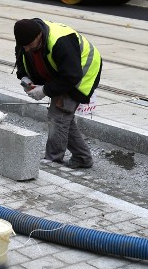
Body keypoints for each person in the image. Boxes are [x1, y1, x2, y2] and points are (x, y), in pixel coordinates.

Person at [14, 18, 101, 169]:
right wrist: (24, 76)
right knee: (63, 118)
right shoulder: (25, 38)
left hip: (81, 74)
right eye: (24, 46)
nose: (27, 49)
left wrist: (45, 90)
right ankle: (82, 157)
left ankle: (52, 162)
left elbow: (71, 76)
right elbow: (21, 57)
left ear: (39, 36)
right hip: (61, 73)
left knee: (58, 117)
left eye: (30, 46)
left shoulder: (61, 41)